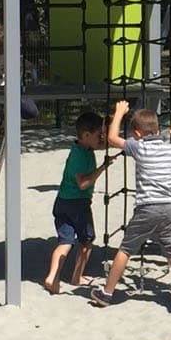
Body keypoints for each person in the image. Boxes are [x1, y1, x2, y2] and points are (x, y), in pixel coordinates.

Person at [91, 100, 171, 307]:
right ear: (157, 130)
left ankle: (107, 293)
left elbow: (112, 138)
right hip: (169, 207)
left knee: (126, 249)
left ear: (137, 134)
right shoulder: (168, 149)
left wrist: (119, 112)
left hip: (147, 207)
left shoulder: (140, 148)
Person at [41, 110, 113, 294]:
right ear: (87, 135)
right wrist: (102, 168)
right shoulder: (81, 156)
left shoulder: (80, 147)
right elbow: (83, 183)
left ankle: (52, 276)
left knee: (65, 242)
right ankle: (77, 276)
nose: (102, 138)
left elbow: (105, 143)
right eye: (99, 135)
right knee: (87, 241)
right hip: (78, 204)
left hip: (62, 202)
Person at [0, 23, 39, 122]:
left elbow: (32, 68)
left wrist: (33, 86)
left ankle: (4, 123)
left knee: (31, 111)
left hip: (11, 93)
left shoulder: (15, 59)